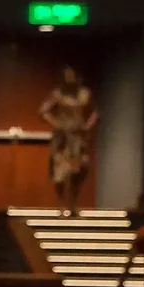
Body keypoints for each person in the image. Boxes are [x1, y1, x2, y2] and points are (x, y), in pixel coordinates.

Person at [40, 66, 96, 216]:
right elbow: (43, 111)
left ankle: (72, 204)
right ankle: (61, 205)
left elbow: (94, 112)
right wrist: (56, 123)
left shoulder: (85, 94)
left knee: (78, 171)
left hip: (77, 138)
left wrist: (87, 125)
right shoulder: (58, 94)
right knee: (60, 173)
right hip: (62, 138)